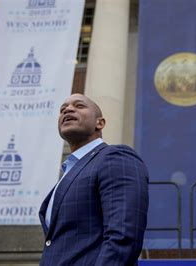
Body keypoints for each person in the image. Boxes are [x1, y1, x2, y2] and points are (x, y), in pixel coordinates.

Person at [39, 93, 149, 265]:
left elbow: (123, 236)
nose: (68, 109)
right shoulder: (68, 172)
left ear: (100, 123)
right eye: (63, 109)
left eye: (79, 106)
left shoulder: (115, 157)